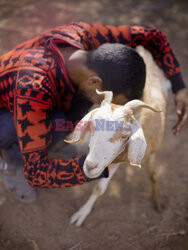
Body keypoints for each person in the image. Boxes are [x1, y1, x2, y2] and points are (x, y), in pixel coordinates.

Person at [0, 22, 187, 202]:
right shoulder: (33, 88)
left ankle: (49, 143)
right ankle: (13, 165)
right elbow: (37, 173)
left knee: (79, 106)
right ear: (95, 82)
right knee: (55, 122)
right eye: (112, 102)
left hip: (28, 101)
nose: (112, 108)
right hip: (8, 114)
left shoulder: (85, 35)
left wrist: (179, 86)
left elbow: (151, 36)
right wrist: (101, 163)